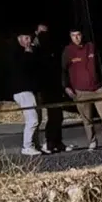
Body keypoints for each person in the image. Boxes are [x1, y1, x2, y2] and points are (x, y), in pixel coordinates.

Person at [61, 28, 102, 151]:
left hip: (98, 89)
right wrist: (66, 87)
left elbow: (99, 65)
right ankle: (92, 142)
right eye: (73, 35)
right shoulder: (68, 51)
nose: (76, 38)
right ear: (70, 37)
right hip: (80, 91)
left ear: (82, 35)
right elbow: (63, 70)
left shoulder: (91, 47)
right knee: (87, 119)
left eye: (78, 35)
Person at [7, 29, 44, 156]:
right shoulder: (16, 53)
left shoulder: (30, 52)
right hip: (22, 90)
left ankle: (36, 145)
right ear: (20, 39)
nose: (29, 41)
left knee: (37, 119)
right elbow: (22, 69)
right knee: (32, 120)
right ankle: (27, 146)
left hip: (31, 89)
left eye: (30, 39)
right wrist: (28, 54)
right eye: (27, 39)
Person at [33, 23, 66, 153]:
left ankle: (58, 141)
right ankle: (49, 142)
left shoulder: (50, 48)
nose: (44, 36)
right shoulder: (35, 49)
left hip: (54, 85)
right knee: (49, 116)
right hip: (44, 87)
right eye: (42, 33)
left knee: (58, 115)